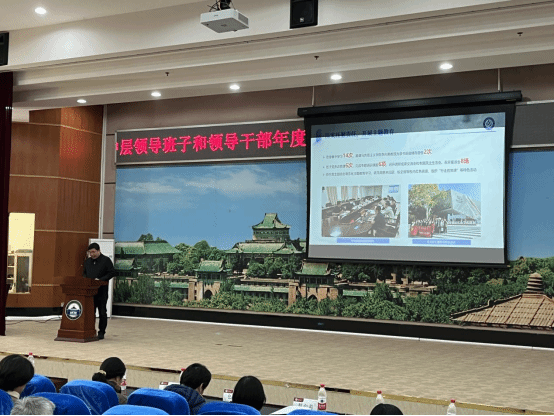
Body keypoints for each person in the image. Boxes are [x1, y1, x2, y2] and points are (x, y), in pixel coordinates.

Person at [83, 243, 116, 340]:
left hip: (101, 290)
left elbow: (112, 272)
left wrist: (101, 280)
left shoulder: (106, 260)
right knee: (90, 312)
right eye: (90, 252)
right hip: (90, 291)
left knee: (102, 312)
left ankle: (101, 332)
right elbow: (84, 273)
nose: (92, 254)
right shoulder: (87, 261)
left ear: (98, 251)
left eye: (93, 252)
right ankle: (90, 330)